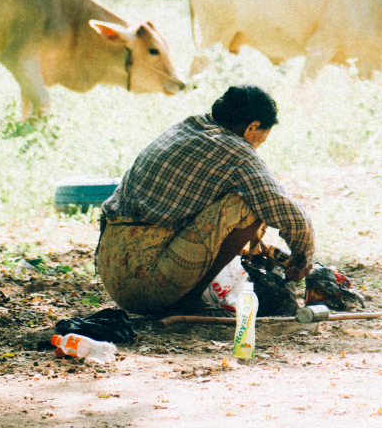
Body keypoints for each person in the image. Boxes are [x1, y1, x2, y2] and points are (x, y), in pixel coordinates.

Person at [96, 84, 314, 316]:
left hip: (112, 272)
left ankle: (188, 294)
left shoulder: (190, 126)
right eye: (260, 140)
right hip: (147, 287)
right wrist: (301, 262)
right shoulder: (237, 152)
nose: (257, 147)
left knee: (243, 196)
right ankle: (189, 302)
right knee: (248, 204)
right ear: (252, 127)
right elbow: (292, 216)